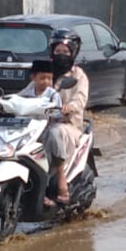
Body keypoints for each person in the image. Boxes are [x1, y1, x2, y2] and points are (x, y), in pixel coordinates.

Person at [46, 29, 89, 202]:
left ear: (73, 52)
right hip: (43, 123)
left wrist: (68, 107)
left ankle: (61, 181)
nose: (61, 55)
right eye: (58, 51)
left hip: (68, 126)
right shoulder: (46, 74)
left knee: (55, 132)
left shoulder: (78, 76)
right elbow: (30, 92)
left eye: (65, 52)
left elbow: (80, 101)